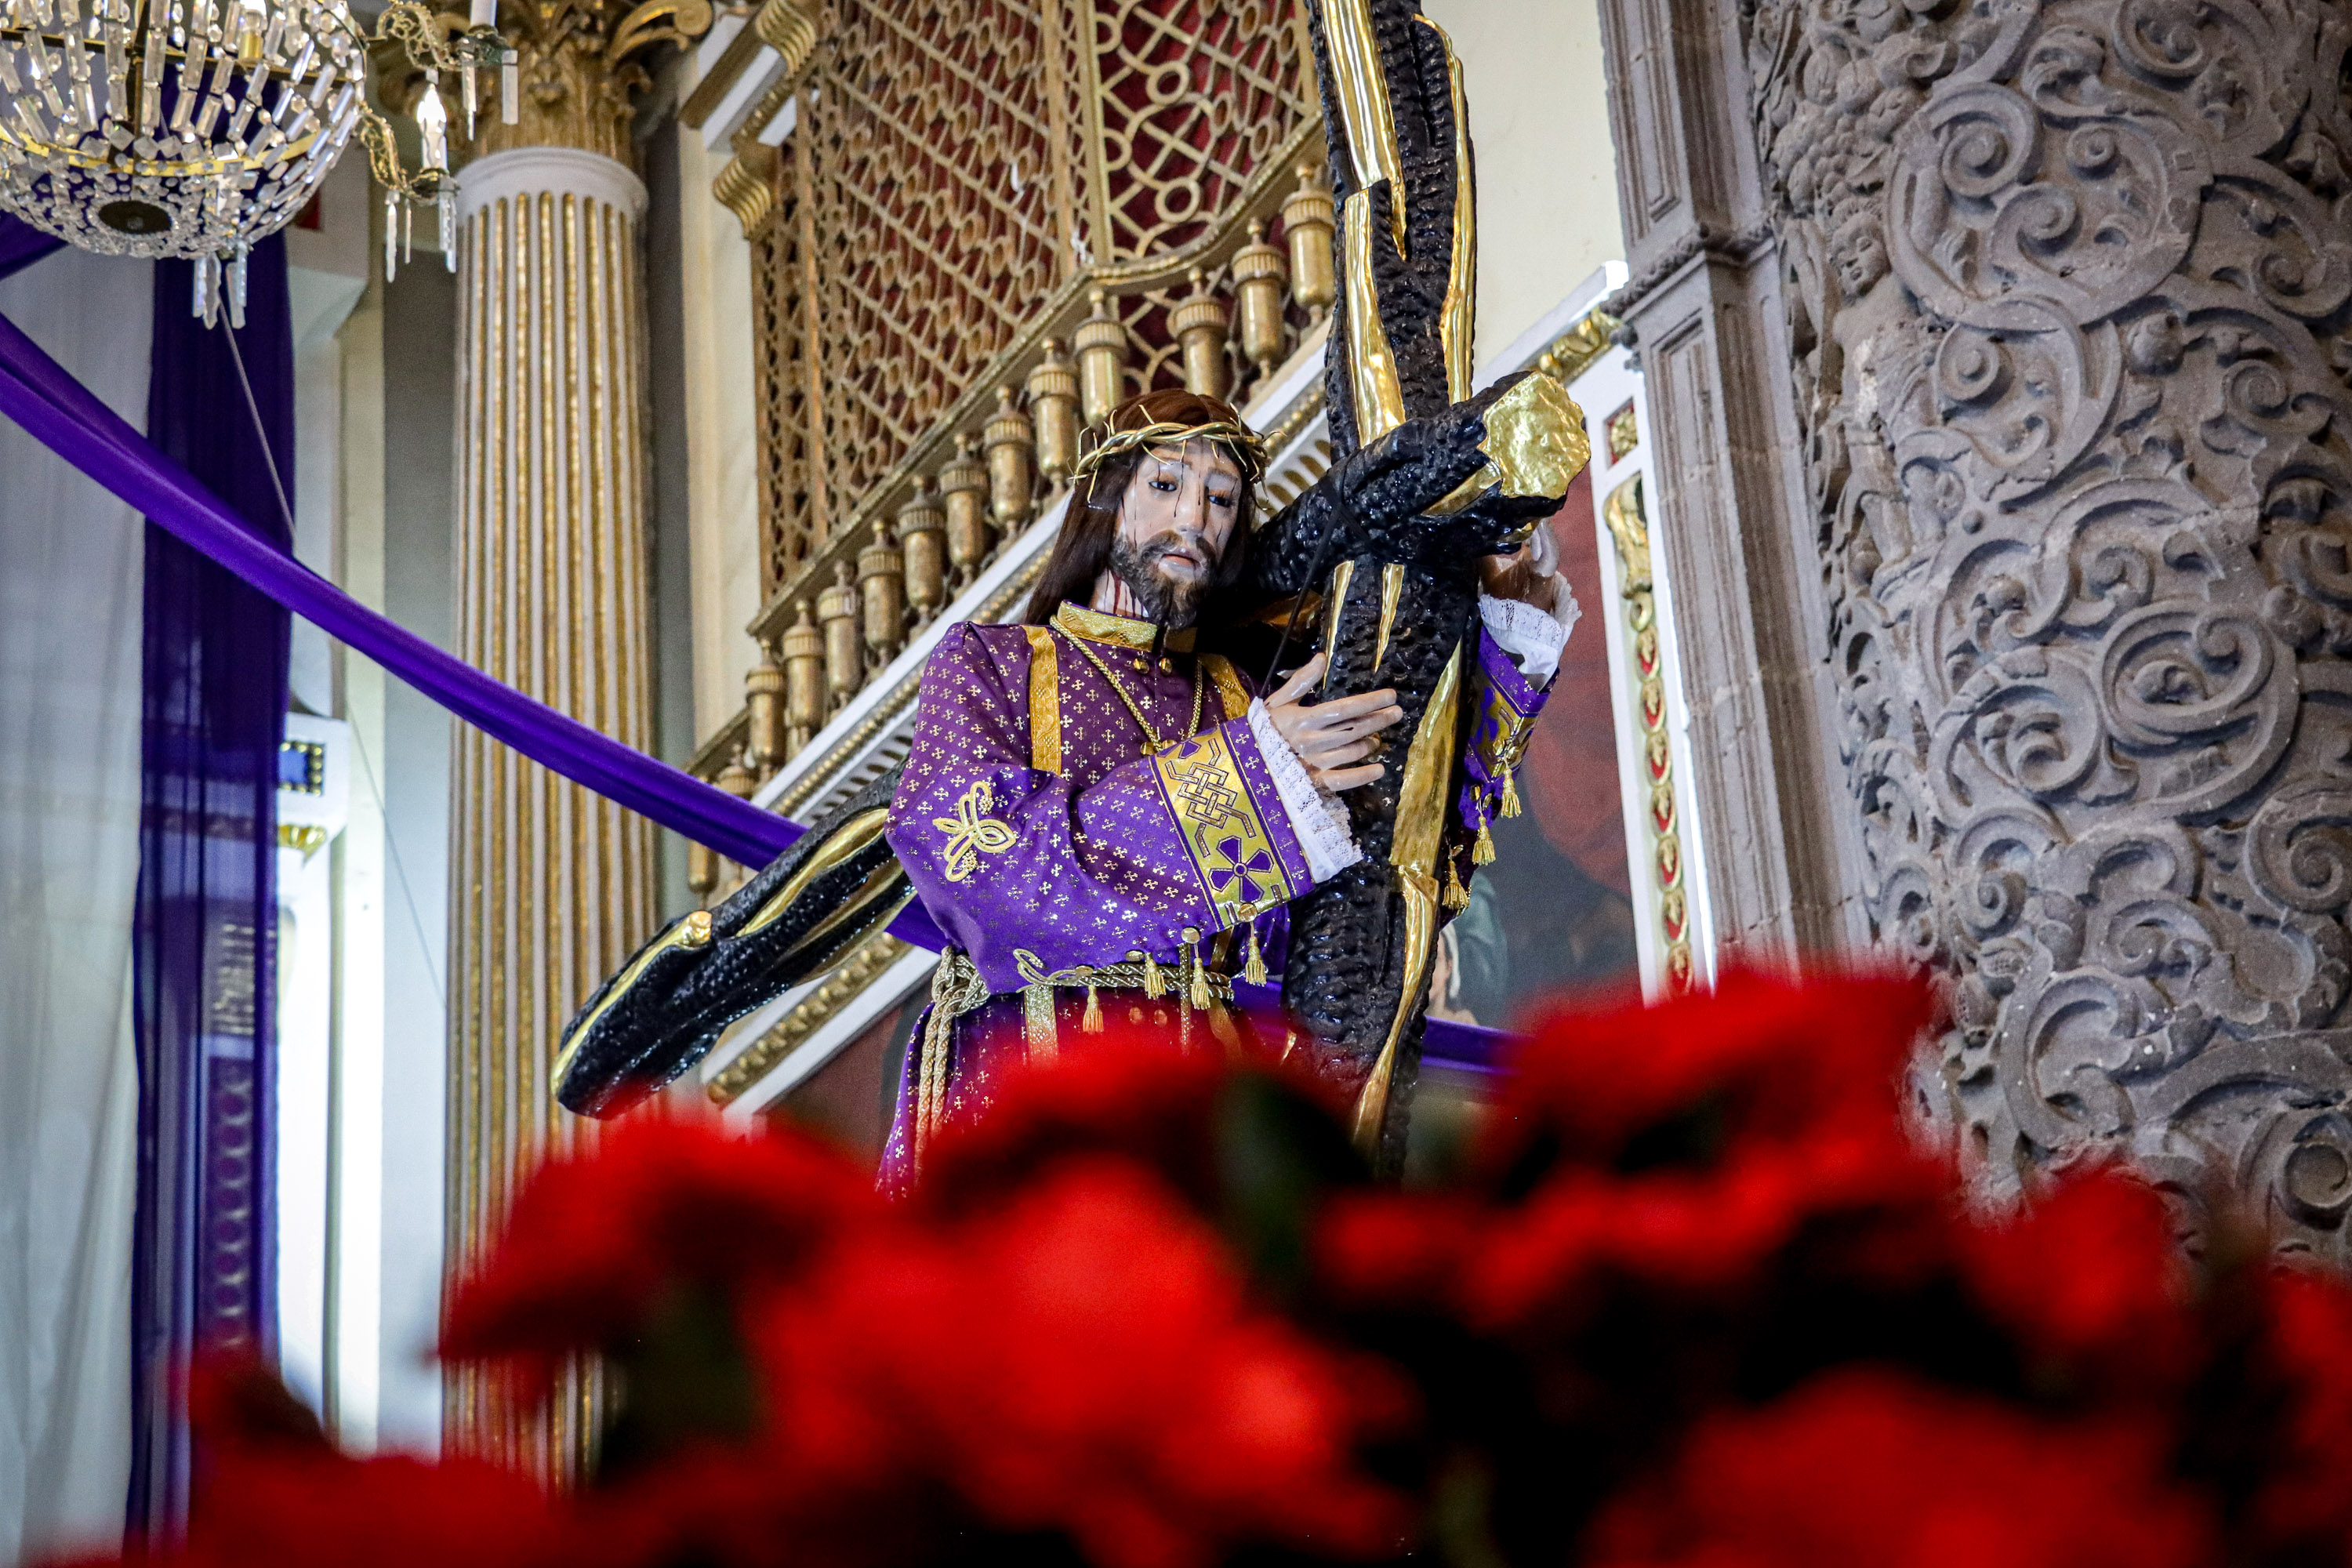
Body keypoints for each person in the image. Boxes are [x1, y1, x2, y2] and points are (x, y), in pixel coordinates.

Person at [880, 387, 1579, 1187]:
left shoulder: (1245, 699)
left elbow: (1402, 839)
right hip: (1027, 1076)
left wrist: (1509, 628)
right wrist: (1250, 782)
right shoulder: (992, 663)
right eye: (1167, 484)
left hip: (1208, 1110)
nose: (1197, 517)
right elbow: (985, 869)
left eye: (1221, 498)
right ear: (1104, 502)